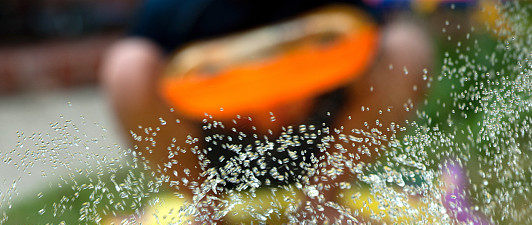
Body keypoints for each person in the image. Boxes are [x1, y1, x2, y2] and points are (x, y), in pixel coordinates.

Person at [100, 1, 433, 205]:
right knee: (127, 66)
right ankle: (206, 214)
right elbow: (136, 73)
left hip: (317, 142)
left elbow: (377, 36)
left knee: (407, 47)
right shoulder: (175, 9)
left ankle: (322, 205)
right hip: (219, 152)